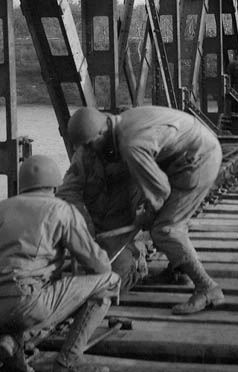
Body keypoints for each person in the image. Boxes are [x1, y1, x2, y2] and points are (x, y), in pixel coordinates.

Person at [66, 106, 224, 315]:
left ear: (102, 133)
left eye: (89, 144)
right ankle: (177, 270)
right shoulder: (119, 126)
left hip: (198, 160)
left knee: (166, 229)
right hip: (186, 154)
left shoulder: (130, 145)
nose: (88, 150)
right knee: (165, 221)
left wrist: (148, 215)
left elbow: (160, 190)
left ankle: (207, 288)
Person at [0, 155, 119, 372]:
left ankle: (10, 347)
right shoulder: (61, 209)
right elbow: (100, 265)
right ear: (54, 185)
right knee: (109, 281)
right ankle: (68, 360)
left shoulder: (2, 207)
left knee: (12, 309)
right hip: (28, 302)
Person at [56, 145, 150, 295]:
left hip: (126, 238)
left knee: (115, 281)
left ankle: (137, 266)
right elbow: (67, 192)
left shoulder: (138, 150)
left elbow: (158, 196)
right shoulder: (84, 155)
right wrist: (86, 230)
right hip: (94, 233)